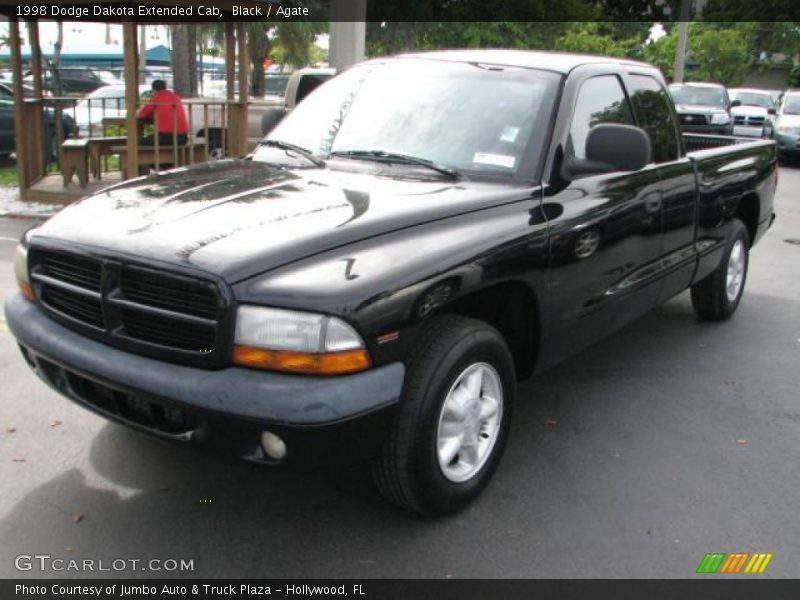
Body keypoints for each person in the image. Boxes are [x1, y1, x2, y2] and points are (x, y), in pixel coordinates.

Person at [137, 80, 189, 146]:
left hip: (167, 136)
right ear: (165, 87)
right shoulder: (175, 97)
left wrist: (138, 112)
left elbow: (142, 114)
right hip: (183, 138)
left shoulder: (157, 97)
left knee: (141, 143)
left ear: (154, 90)